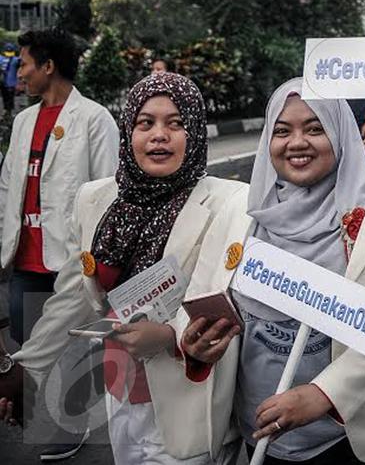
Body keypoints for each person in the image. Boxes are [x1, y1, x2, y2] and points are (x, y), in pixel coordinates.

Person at [3, 74, 249, 464]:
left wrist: (171, 337)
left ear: (197, 133)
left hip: (186, 401)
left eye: (176, 123)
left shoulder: (229, 202)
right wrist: (28, 366)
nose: (158, 136)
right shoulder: (96, 199)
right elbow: (72, 297)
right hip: (120, 392)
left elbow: (224, 299)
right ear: (128, 129)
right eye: (145, 123)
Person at [178, 79, 365, 465]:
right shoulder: (243, 212)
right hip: (259, 437)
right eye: (282, 131)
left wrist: (325, 394)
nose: (297, 142)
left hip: (349, 442)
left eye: (315, 128)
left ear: (341, 133)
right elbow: (204, 300)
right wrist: (196, 346)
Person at [1, 29, 120, 341]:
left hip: (72, 266)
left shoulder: (95, 118)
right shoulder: (23, 121)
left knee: (71, 368)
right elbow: (7, 187)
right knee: (26, 360)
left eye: (25, 64)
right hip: (25, 263)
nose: (21, 73)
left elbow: (109, 195)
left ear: (48, 66)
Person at [0, 42, 18, 115]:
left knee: (6, 98)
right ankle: (9, 112)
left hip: (4, 82)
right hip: (10, 83)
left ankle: (7, 111)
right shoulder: (16, 60)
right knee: (10, 98)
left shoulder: (1, 59)